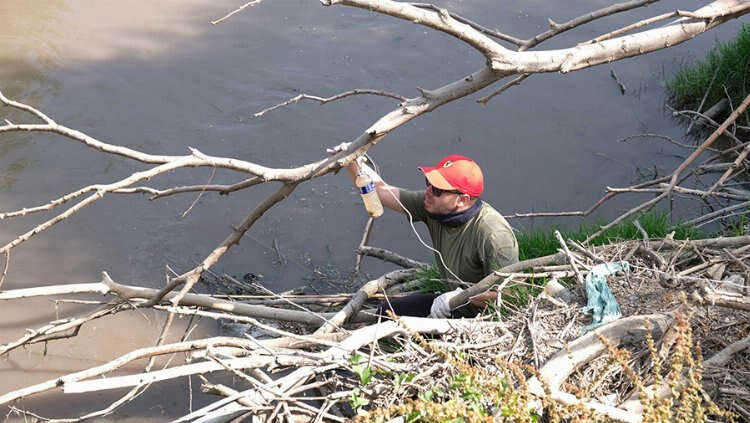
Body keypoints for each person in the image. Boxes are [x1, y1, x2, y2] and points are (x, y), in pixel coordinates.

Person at [347, 154, 519, 318]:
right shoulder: (435, 205)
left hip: (481, 319)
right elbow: (381, 192)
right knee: (386, 312)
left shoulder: (494, 235)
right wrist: (352, 160)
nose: (428, 191)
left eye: (437, 189)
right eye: (428, 182)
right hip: (451, 304)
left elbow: (510, 296)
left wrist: (460, 298)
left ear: (463, 200)